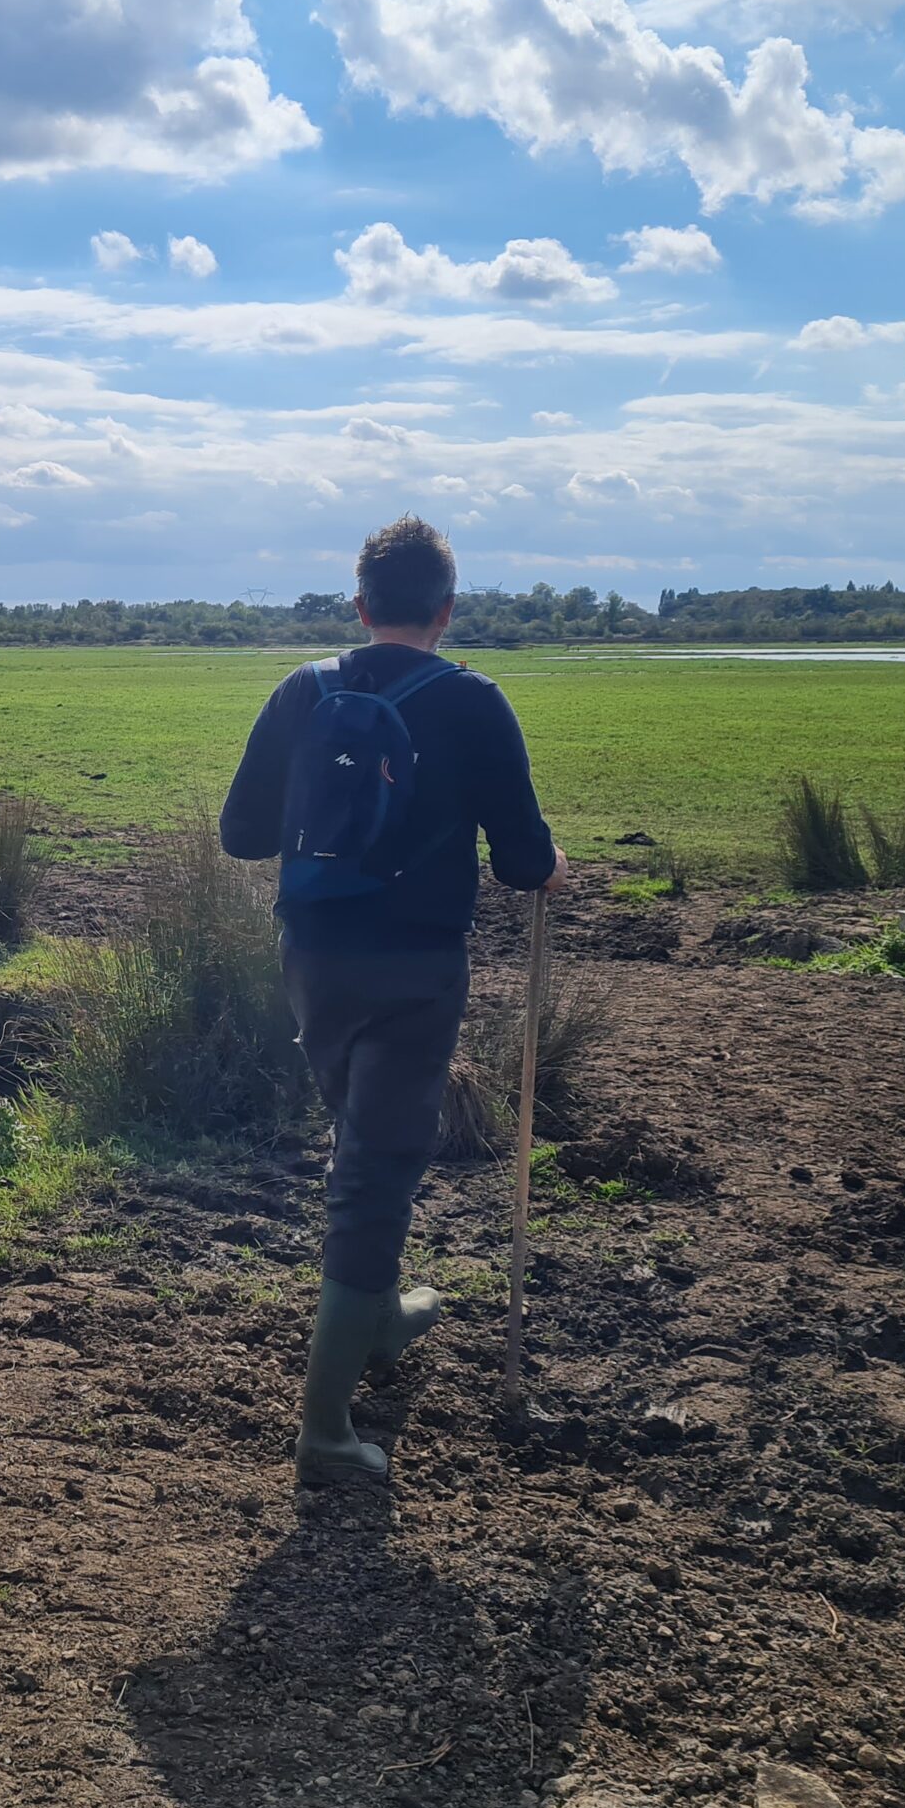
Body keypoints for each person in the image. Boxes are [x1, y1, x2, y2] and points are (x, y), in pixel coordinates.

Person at [218, 516, 568, 1487]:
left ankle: (376, 1320)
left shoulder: (304, 689)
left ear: (360, 604)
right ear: (446, 611)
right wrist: (550, 868)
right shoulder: (473, 702)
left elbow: (242, 836)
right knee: (376, 1169)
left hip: (312, 958)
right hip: (415, 967)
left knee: (362, 1150)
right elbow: (524, 860)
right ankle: (325, 1431)